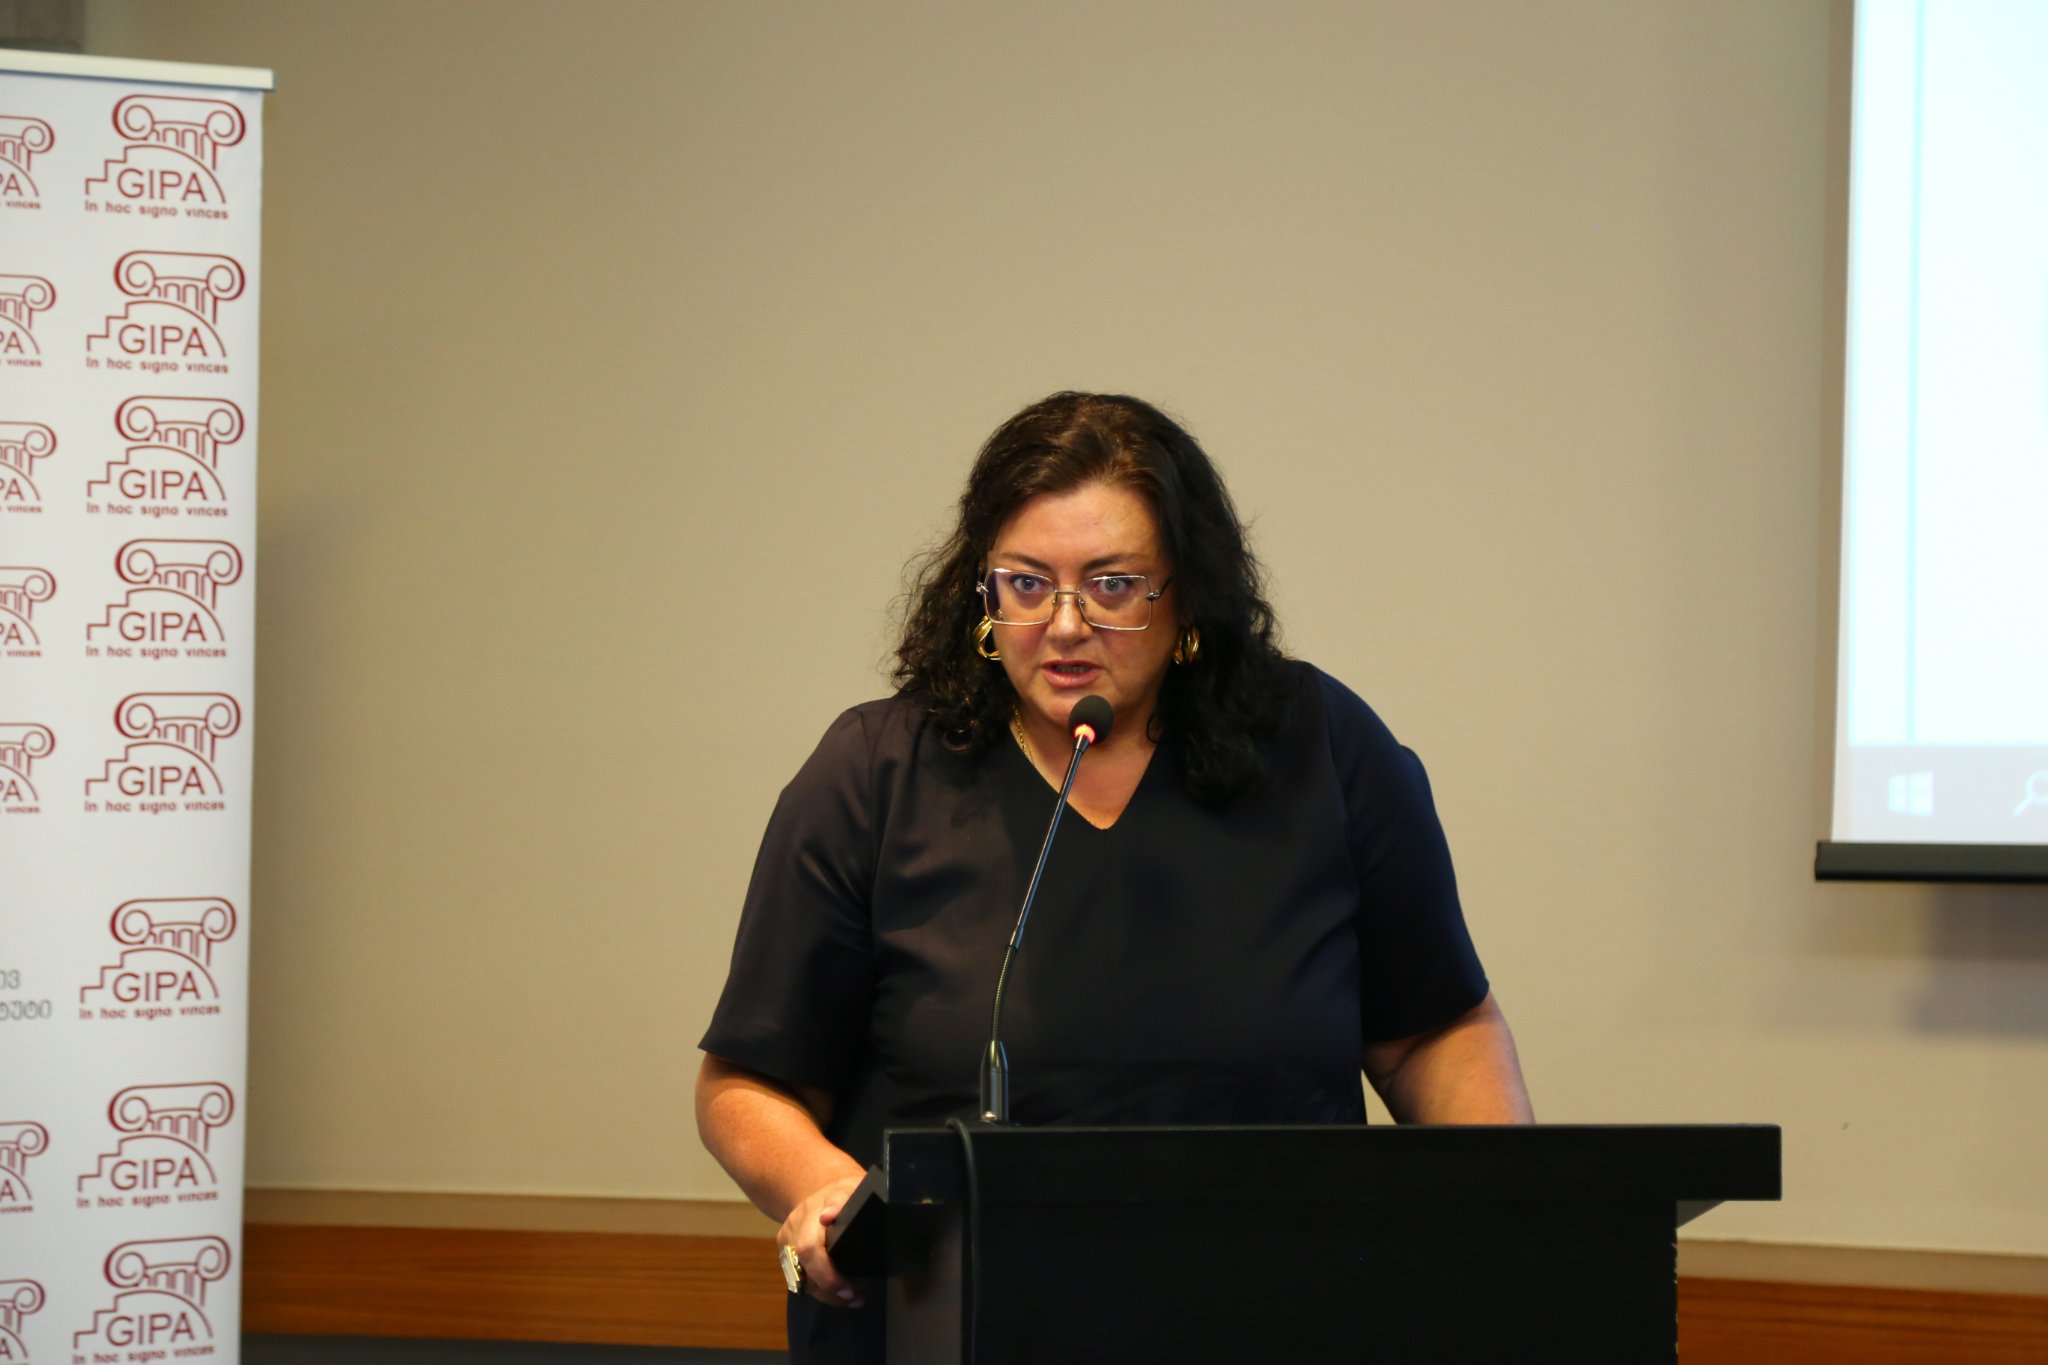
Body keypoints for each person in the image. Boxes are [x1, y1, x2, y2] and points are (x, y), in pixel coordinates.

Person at [696, 391, 1533, 1363]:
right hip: (948, 1324)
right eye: (1024, 584)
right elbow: (746, 1079)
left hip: (1276, 1316)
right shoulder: (876, 773)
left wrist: (1510, 1213)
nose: (1063, 625)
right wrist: (824, 1190)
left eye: (1111, 585)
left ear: (1185, 595)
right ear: (980, 593)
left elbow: (1434, 1029)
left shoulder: (1321, 750)